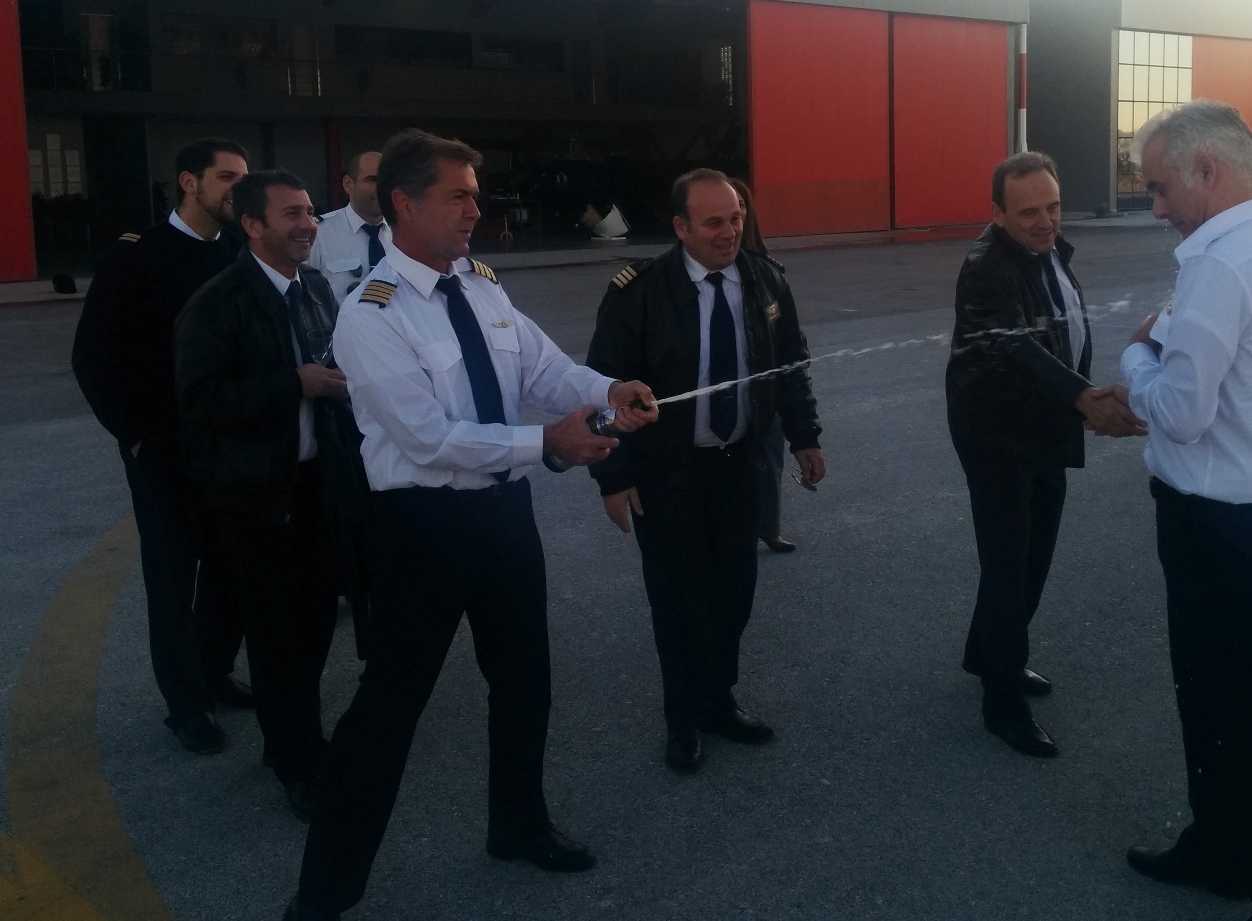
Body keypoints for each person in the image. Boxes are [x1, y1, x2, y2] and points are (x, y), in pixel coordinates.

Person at [285, 130, 657, 921]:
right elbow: (427, 438)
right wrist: (547, 444)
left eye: (475, 195)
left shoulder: (482, 286)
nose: (474, 210)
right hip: (422, 526)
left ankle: (517, 823)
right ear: (404, 203)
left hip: (503, 513)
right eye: (458, 196)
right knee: (389, 709)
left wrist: (607, 389)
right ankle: (323, 895)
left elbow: (544, 370)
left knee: (525, 679)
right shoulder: (371, 314)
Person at [1118, 101, 1252, 921]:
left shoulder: (1220, 265)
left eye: (1161, 187)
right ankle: (1219, 850)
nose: (1155, 207)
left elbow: (1180, 411)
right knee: (1210, 704)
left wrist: (1136, 355)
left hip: (1215, 526)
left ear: (1207, 170)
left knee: (1245, 721)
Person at [586, 169, 824, 774]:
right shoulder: (639, 292)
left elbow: (789, 366)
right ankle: (684, 717)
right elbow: (599, 390)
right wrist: (613, 477)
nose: (729, 231)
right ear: (681, 227)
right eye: (714, 222)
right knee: (679, 601)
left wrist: (805, 436)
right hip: (667, 474)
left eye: (736, 217)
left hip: (737, 467)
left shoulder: (766, 280)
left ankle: (720, 700)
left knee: (734, 593)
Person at [946, 152, 1146, 758]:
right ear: (997, 213)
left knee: (1033, 556)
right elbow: (1015, 347)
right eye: (1029, 211)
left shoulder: (1050, 251)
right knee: (1010, 565)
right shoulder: (986, 267)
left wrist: (1075, 399)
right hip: (997, 434)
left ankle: (990, 655)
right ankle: (1001, 702)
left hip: (1045, 422)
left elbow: (1061, 332)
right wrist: (1082, 397)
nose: (1046, 221)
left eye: (1053, 207)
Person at [174, 170, 348, 821]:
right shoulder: (215, 304)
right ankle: (297, 761)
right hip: (256, 498)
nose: (308, 225)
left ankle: (293, 737)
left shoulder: (317, 289)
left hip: (317, 485)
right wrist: (293, 384)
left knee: (316, 623)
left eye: (310, 212)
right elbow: (200, 402)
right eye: (291, 215)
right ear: (251, 225)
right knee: (278, 636)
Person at [71, 138, 251, 754]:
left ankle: (213, 670)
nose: (238, 189)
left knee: (230, 569)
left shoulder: (237, 251)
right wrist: (136, 435)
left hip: (230, 443)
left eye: (243, 178)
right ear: (188, 182)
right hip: (164, 448)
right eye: (226, 177)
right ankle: (185, 704)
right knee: (173, 578)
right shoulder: (136, 257)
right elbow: (93, 356)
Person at [728, 176, 795, 554]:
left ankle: (769, 526)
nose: (734, 216)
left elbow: (789, 341)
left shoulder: (767, 270)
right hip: (726, 382)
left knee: (770, 454)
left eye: (740, 206)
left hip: (763, 383)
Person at [310, 151, 389, 299]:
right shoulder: (318, 234)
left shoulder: (405, 234)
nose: (381, 188)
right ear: (348, 184)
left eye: (387, 180)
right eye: (372, 180)